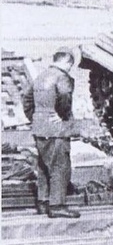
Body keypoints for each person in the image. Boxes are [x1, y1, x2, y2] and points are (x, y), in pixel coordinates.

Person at [22, 47, 81, 218]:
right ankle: (57, 206)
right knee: (60, 167)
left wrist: (37, 119)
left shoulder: (41, 76)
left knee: (43, 166)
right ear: (67, 61)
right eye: (70, 65)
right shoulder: (62, 77)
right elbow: (64, 97)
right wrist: (63, 117)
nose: (70, 68)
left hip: (40, 129)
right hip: (56, 130)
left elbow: (27, 100)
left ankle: (43, 202)